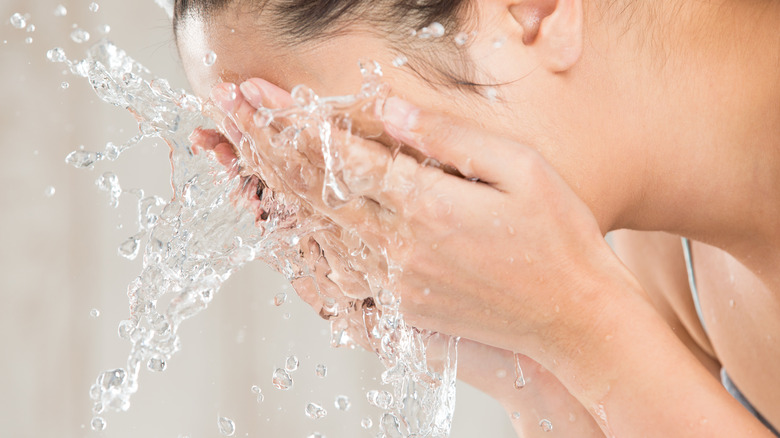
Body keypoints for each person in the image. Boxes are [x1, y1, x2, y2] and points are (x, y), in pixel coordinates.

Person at [173, 0, 780, 436]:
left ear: (533, 12)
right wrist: (536, 365)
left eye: (353, 160)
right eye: (280, 173)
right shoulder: (656, 252)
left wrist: (588, 325)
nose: (347, 224)